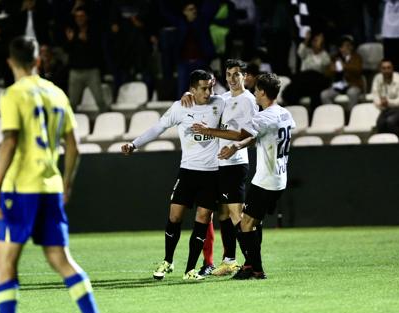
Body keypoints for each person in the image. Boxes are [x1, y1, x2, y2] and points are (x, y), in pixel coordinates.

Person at [0, 36, 110, 313]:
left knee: (6, 260)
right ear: (38, 60)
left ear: (10, 62)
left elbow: (9, 141)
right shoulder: (56, 93)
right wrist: (66, 182)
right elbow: (74, 145)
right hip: (49, 187)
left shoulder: (13, 94)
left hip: (20, 189)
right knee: (60, 258)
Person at [121, 69, 225, 281]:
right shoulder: (180, 107)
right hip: (187, 172)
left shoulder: (220, 103)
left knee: (203, 219)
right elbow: (157, 128)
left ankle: (190, 270)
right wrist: (134, 144)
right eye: (203, 88)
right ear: (192, 89)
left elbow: (238, 102)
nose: (208, 92)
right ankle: (168, 261)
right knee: (174, 216)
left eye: (210, 87)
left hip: (211, 173)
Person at [192, 73, 295, 279]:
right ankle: (250, 267)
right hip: (279, 178)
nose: (254, 92)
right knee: (252, 222)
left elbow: (242, 134)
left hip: (265, 180)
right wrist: (240, 144)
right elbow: (255, 137)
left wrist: (231, 144)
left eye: (256, 89)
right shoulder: (285, 114)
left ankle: (256, 269)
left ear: (263, 92)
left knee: (245, 224)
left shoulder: (262, 116)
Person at [181, 60, 259, 276]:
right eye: (229, 74)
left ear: (245, 77)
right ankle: (229, 260)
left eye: (237, 74)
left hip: (235, 163)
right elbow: (204, 101)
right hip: (220, 164)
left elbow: (246, 135)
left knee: (237, 214)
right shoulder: (224, 98)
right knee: (224, 213)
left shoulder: (248, 101)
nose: (232, 79)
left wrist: (210, 132)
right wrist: (187, 95)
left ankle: (252, 263)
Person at [320, 35, 363, 113]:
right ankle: (335, 116)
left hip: (352, 84)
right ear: (340, 48)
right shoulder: (334, 58)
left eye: (349, 46)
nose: (348, 48)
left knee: (352, 93)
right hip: (338, 86)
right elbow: (327, 74)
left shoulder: (357, 57)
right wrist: (332, 70)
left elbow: (358, 70)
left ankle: (351, 117)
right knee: (324, 95)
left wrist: (345, 66)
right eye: (345, 46)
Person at [373, 58, 399, 141]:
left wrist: (388, 102)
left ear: (392, 68)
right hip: (385, 110)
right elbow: (375, 95)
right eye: (384, 68)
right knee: (380, 123)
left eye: (388, 68)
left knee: (390, 121)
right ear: (380, 69)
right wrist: (380, 103)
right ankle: (383, 146)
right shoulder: (377, 79)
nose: (386, 70)